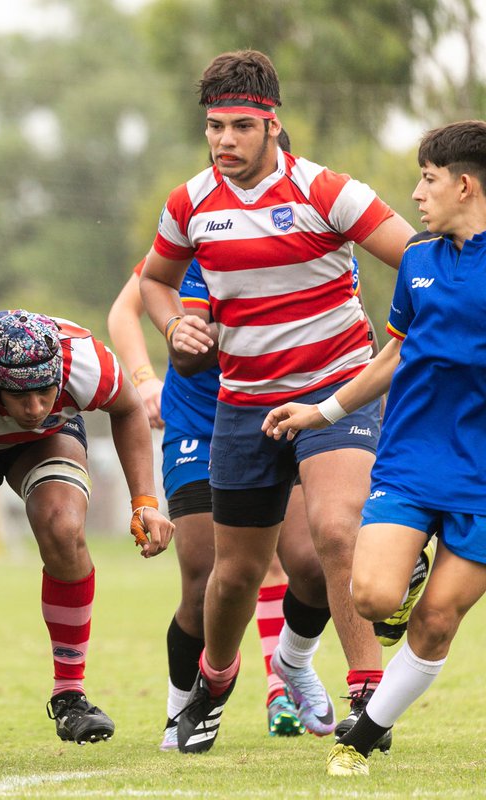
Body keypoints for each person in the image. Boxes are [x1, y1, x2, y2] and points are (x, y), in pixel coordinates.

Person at [138, 50, 417, 754]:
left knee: (334, 533)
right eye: (213, 127)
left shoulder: (328, 192)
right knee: (231, 575)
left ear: (271, 125)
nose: (224, 141)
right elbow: (153, 285)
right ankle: (216, 682)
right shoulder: (191, 202)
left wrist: (404, 342)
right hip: (244, 405)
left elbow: (417, 263)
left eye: (238, 127)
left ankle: (364, 696)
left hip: (337, 392)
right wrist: (176, 325)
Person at [262, 120, 486, 777]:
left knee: (438, 623)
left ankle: (359, 741)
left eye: (428, 178)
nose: (417, 193)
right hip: (412, 457)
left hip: (482, 475)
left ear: (464, 184)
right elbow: (394, 352)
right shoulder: (418, 260)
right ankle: (408, 573)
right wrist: (322, 410)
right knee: (371, 597)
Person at [109, 248, 333, 749]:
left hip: (274, 415)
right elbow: (126, 310)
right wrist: (145, 380)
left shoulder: (300, 228)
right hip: (198, 424)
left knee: (311, 566)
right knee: (207, 574)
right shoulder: (187, 235)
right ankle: (184, 710)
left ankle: (289, 668)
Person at [0, 310, 174, 744]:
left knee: (63, 527)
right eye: (20, 397)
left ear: (60, 373)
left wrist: (145, 502)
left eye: (44, 393)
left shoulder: (88, 364)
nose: (35, 408)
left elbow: (129, 409)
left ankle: (70, 694)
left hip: (44, 443)